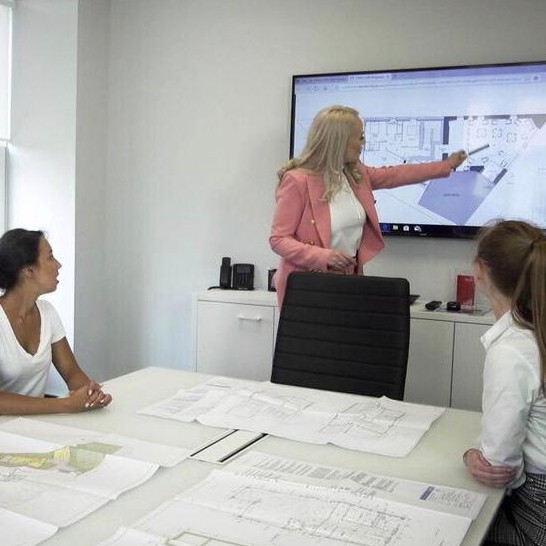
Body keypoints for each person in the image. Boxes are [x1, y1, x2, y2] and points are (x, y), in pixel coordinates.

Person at [269, 104, 468, 307]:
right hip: (307, 288)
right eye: (360, 137)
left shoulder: (354, 173)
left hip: (347, 283)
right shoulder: (297, 181)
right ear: (339, 140)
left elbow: (396, 174)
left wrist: (447, 165)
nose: (363, 143)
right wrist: (323, 256)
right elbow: (278, 239)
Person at [463, 220, 546, 546]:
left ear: (479, 271)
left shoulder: (511, 350)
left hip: (535, 508)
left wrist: (470, 455)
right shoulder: (535, 332)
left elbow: (498, 467)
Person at [0, 228, 112, 415]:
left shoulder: (47, 312)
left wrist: (90, 394)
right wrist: (65, 404)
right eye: (50, 258)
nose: (58, 265)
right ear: (28, 270)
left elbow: (71, 372)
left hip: (33, 425)